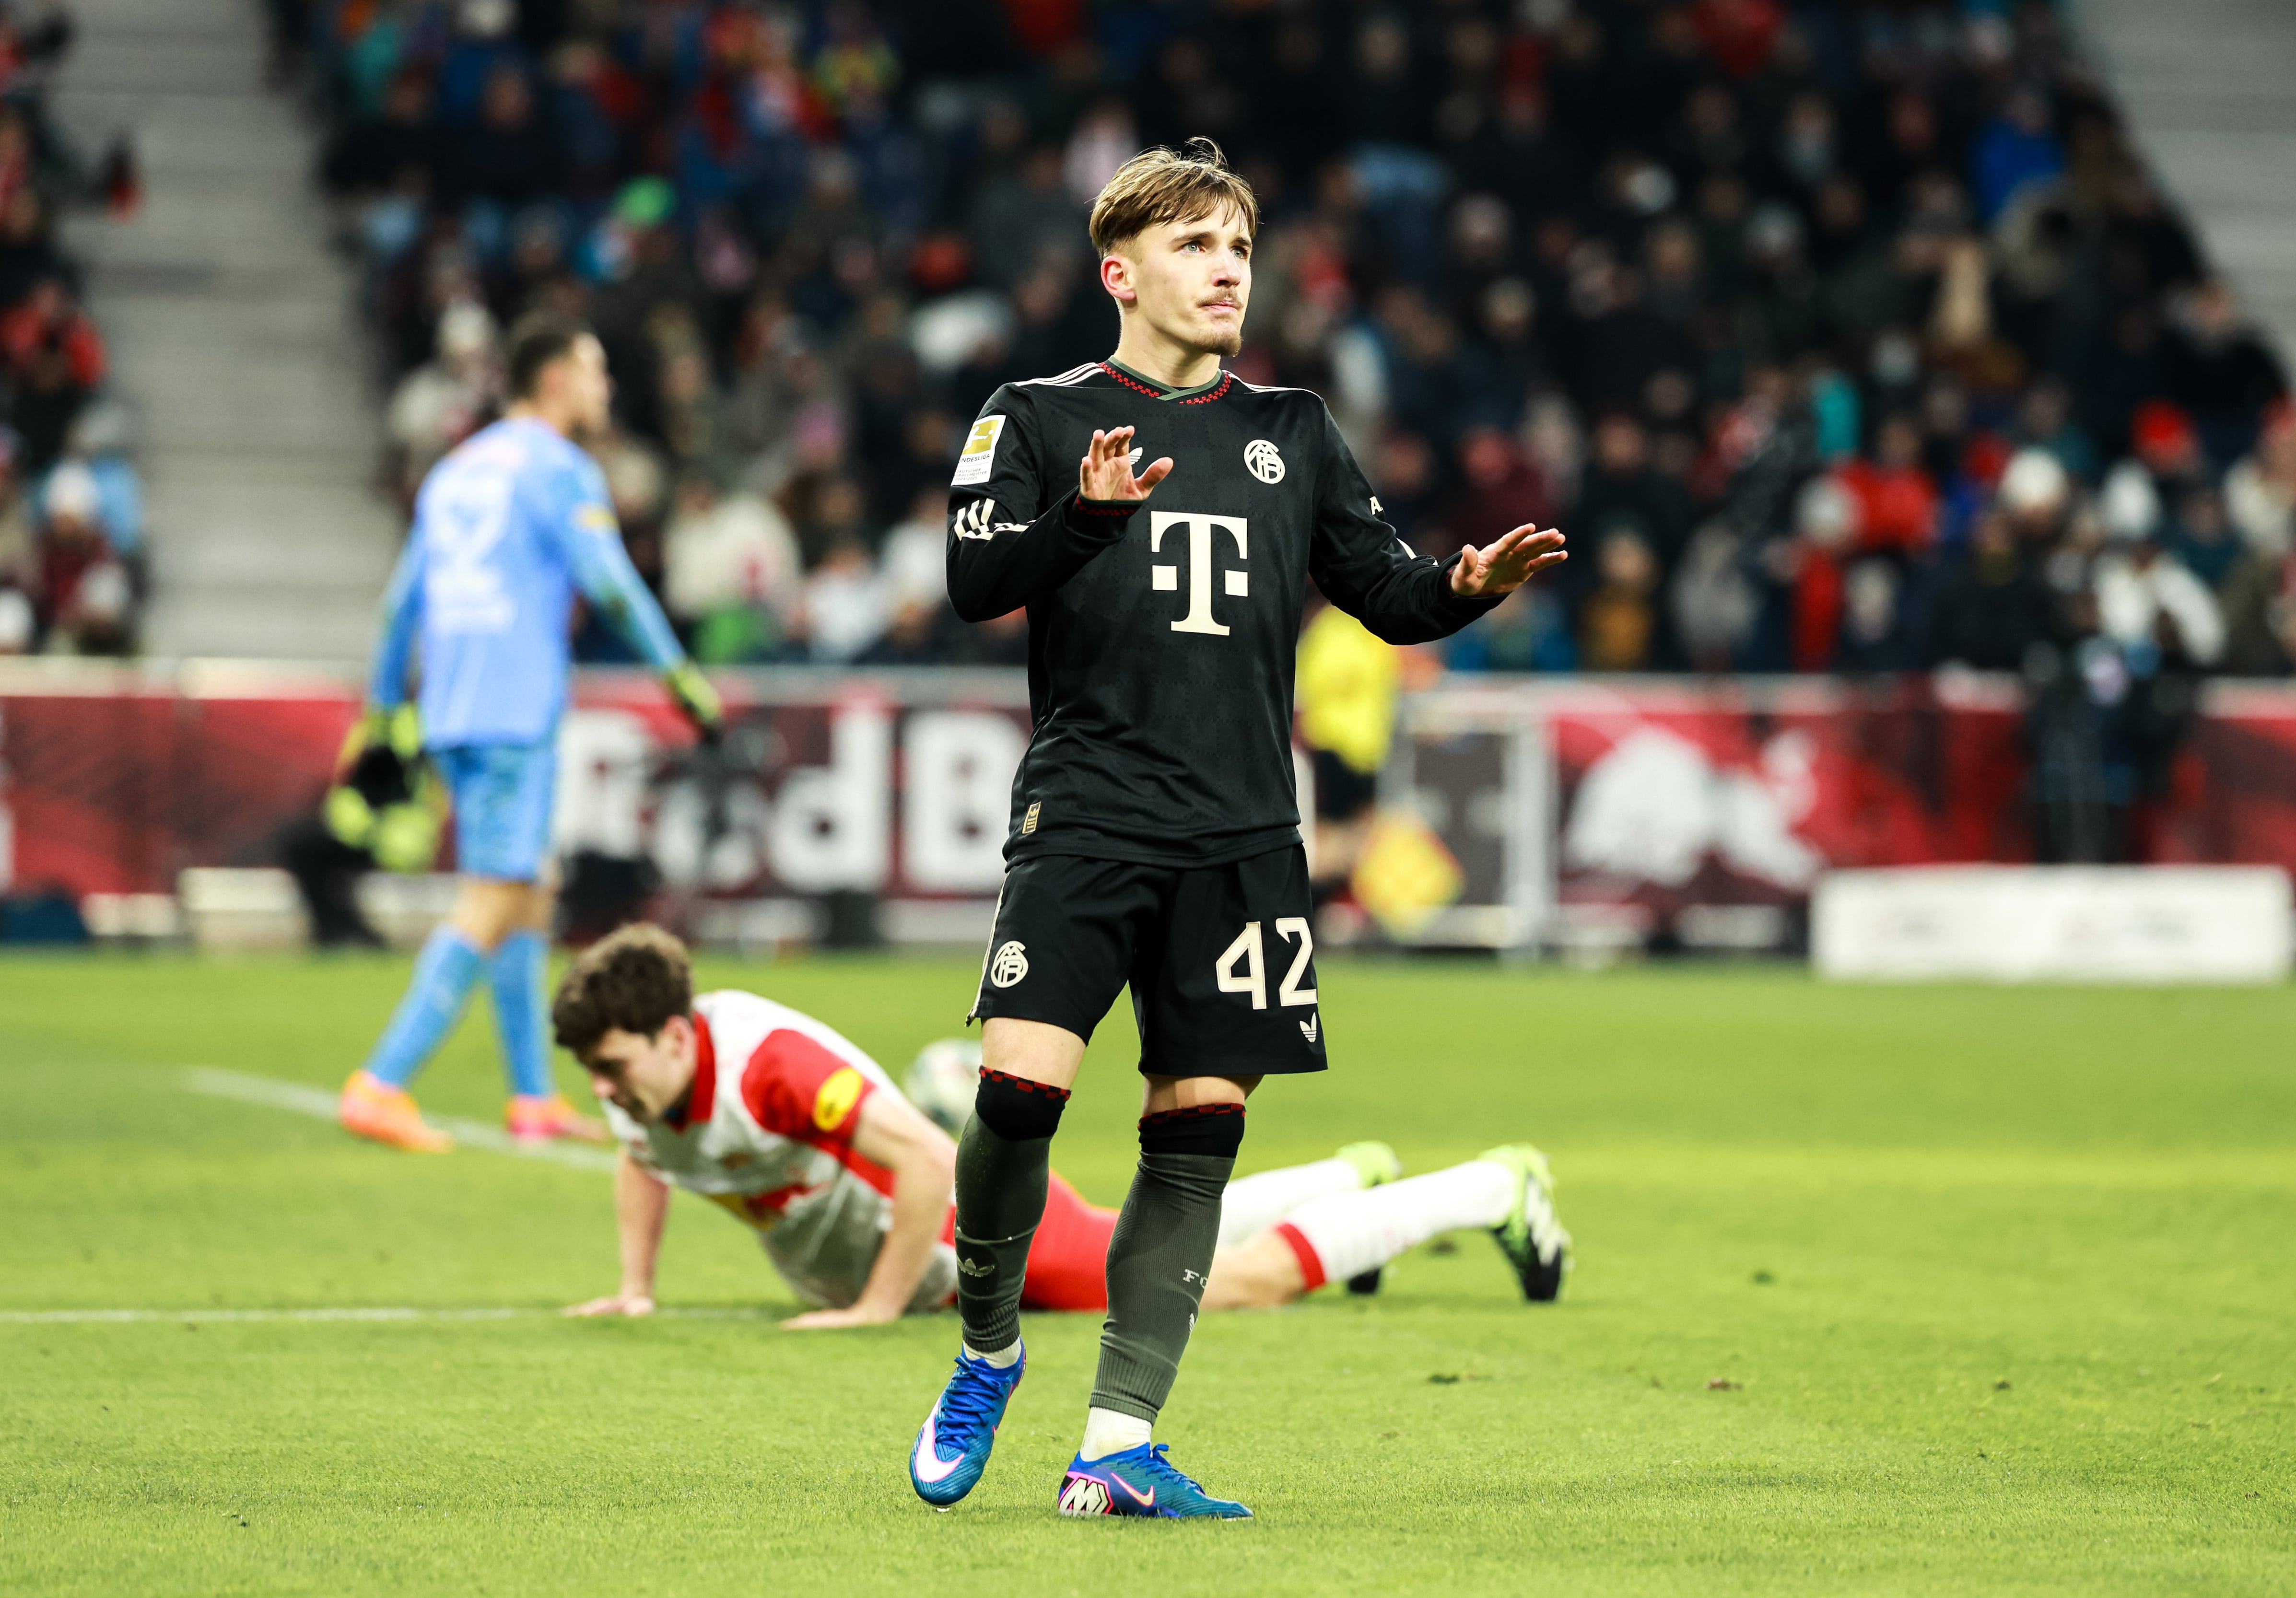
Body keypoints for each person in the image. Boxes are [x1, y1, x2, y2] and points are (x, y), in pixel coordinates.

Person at [930, 139, 1565, 1520]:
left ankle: (1116, 1436)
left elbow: (1386, 592)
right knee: (1017, 1094)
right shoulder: (1036, 414)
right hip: (1089, 811)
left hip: (1241, 836)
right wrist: (1085, 519)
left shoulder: (1296, 433)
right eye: (1197, 246)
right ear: (1123, 271)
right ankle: (986, 1338)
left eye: (1239, 249)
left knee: (1198, 1129)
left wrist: (1465, 583)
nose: (1228, 271)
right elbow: (976, 578)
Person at [548, 925, 1568, 1339]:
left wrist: (874, 1307)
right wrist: (637, 1285)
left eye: (615, 1067)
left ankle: (1489, 1188)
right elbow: (648, 1162)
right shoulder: (635, 1082)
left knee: (1214, 1283)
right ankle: (1348, 1176)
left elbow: (922, 1160)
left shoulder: (769, 1066)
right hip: (951, 1254)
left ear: (677, 1034)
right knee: (1141, 1231)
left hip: (985, 1234)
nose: (606, 1089)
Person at [339, 314, 722, 1154]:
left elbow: (401, 604)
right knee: (495, 895)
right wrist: (677, 674)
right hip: (515, 709)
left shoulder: (454, 472)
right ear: (554, 380)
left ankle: (531, 1097)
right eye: (594, 371)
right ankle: (382, 1081)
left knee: (529, 890)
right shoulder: (559, 467)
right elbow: (611, 583)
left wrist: (381, 711)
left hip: (452, 708)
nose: (605, 388)